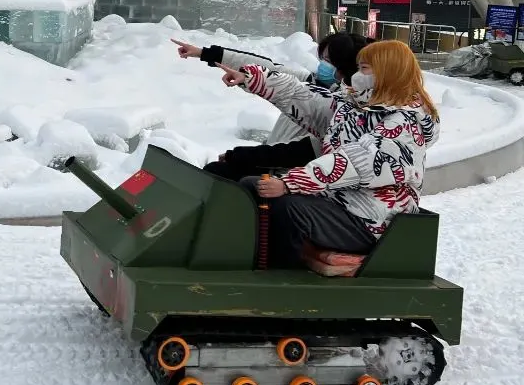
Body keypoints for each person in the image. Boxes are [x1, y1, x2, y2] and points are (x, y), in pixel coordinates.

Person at [214, 40, 440, 269]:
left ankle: (280, 287)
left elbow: (356, 161)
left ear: (387, 72)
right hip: (337, 203)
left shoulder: (406, 123)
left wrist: (291, 183)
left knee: (287, 210)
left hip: (371, 219)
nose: (357, 75)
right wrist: (256, 79)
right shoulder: (356, 105)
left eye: (364, 69)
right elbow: (307, 100)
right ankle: (233, 260)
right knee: (251, 186)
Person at [172, 33, 372, 181]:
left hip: (291, 176)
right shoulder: (313, 82)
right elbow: (270, 70)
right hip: (273, 164)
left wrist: (241, 157)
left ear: (345, 68)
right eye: (322, 59)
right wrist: (205, 53)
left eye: (329, 61)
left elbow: (302, 151)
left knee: (221, 176)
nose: (322, 66)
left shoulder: (342, 111)